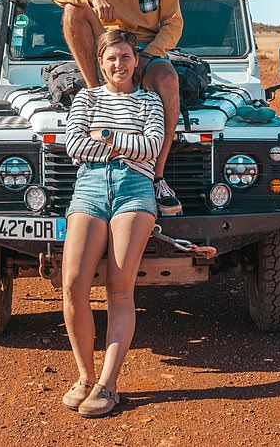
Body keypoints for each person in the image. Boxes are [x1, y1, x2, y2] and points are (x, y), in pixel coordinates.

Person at [51, 0, 184, 215]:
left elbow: (173, 23)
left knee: (167, 78)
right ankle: (95, 90)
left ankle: (158, 176)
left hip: (145, 50)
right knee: (72, 9)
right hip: (105, 49)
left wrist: (148, 56)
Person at [61, 29, 164, 418]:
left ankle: (108, 384)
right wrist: (126, 140)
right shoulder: (85, 98)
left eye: (125, 57)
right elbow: (74, 145)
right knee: (73, 284)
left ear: (136, 61)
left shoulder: (150, 101)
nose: (118, 64)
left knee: (119, 288)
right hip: (88, 186)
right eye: (111, 58)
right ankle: (85, 376)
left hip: (135, 188)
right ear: (99, 62)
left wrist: (103, 134)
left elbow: (152, 147)